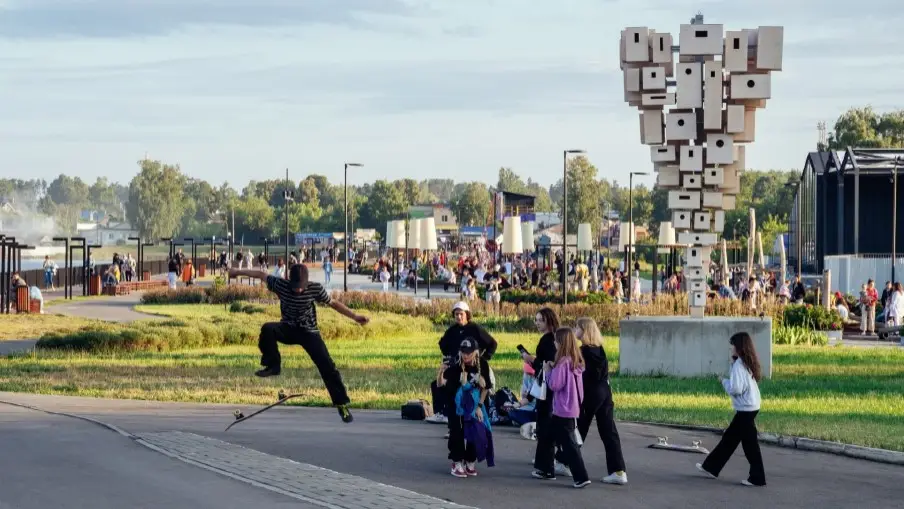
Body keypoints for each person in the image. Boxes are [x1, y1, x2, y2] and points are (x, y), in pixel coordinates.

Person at [228, 264, 369, 423]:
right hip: (288, 329)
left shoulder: (315, 289)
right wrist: (236, 272)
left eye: (301, 288)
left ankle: (341, 404)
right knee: (268, 329)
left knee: (327, 366)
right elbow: (260, 274)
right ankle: (273, 366)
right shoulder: (280, 284)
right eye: (295, 287)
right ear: (289, 281)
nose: (298, 290)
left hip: (309, 333)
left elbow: (334, 303)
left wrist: (355, 316)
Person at [696, 332, 766, 487]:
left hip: (746, 409)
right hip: (750, 407)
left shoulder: (739, 365)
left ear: (739, 347)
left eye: (733, 345)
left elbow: (736, 389)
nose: (731, 349)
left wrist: (723, 381)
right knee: (730, 439)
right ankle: (711, 467)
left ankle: (757, 478)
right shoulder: (745, 363)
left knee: (749, 445)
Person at [574, 317, 627, 485]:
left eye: (577, 327)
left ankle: (565, 461)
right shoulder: (600, 350)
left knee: (578, 427)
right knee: (608, 430)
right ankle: (618, 470)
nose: (575, 329)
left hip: (590, 393)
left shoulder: (582, 351)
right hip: (605, 391)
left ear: (584, 330)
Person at [536, 327, 590, 489]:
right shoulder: (575, 361)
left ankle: (581, 477)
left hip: (562, 408)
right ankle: (546, 469)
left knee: (569, 444)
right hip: (572, 406)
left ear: (561, 343)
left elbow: (554, 385)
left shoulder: (562, 363)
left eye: (556, 340)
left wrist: (548, 371)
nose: (554, 343)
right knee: (548, 436)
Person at [428, 301, 498, 424]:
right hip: (458, 365)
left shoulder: (475, 328)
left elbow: (492, 344)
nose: (458, 317)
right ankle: (441, 412)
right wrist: (449, 357)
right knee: (437, 384)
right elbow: (442, 344)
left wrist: (483, 359)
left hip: (473, 367)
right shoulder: (452, 330)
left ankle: (477, 411)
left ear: (467, 314)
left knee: (474, 387)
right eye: (456, 314)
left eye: (461, 314)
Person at [437, 338, 495, 478]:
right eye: (463, 352)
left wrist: (479, 407)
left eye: (469, 353)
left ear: (476, 352)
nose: (466, 356)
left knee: (474, 432)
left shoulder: (482, 365)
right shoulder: (455, 365)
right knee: (457, 431)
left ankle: (470, 460)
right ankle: (457, 462)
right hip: (456, 404)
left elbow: (486, 388)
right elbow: (440, 385)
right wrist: (440, 372)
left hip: (475, 404)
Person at [523, 307, 565, 478]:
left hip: (546, 389)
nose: (537, 323)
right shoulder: (556, 338)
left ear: (548, 320)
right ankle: (551, 461)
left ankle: (546, 467)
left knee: (545, 426)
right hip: (553, 389)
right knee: (551, 427)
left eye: (540, 320)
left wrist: (531, 360)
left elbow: (546, 365)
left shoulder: (548, 341)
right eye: (536, 320)